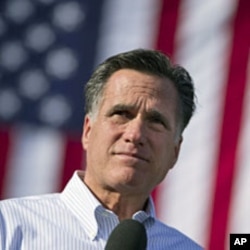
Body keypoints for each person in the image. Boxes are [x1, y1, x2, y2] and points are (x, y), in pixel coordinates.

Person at [0, 49, 203, 249]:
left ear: (175, 152)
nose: (135, 134)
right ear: (88, 131)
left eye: (156, 121)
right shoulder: (8, 226)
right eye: (122, 113)